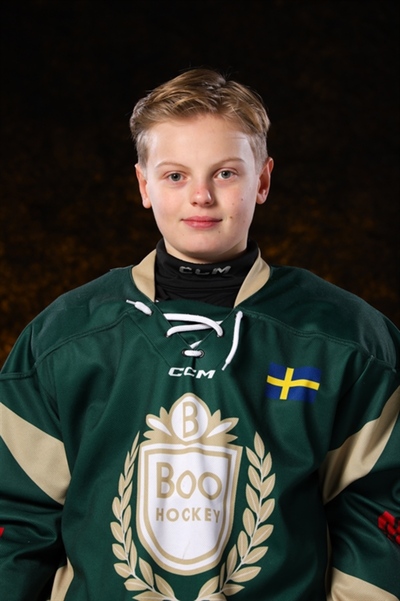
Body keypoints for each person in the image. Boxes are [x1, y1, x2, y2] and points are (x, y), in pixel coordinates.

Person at [0, 68, 399, 601]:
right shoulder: (64, 338)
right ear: (143, 185)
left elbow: (382, 509)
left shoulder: (348, 339)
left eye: (226, 173)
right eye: (175, 176)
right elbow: (15, 517)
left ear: (263, 180)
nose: (201, 196)